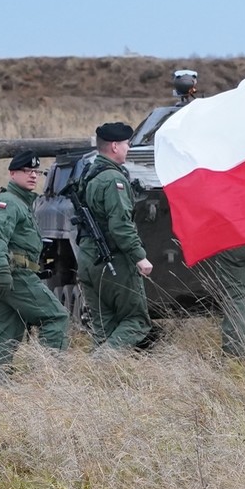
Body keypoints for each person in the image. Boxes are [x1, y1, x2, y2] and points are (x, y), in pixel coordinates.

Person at [0, 150, 70, 373]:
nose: (33, 176)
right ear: (12, 173)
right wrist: (2, 270)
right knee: (56, 317)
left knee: (5, 333)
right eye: (26, 171)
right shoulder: (8, 203)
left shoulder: (21, 203)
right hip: (15, 274)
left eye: (36, 172)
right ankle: (47, 375)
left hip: (11, 276)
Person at [76, 123, 157, 352]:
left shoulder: (90, 174)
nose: (129, 147)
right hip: (113, 261)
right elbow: (120, 225)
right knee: (137, 322)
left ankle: (100, 381)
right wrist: (139, 256)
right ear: (114, 146)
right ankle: (101, 362)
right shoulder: (113, 179)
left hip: (89, 260)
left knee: (104, 329)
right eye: (126, 143)